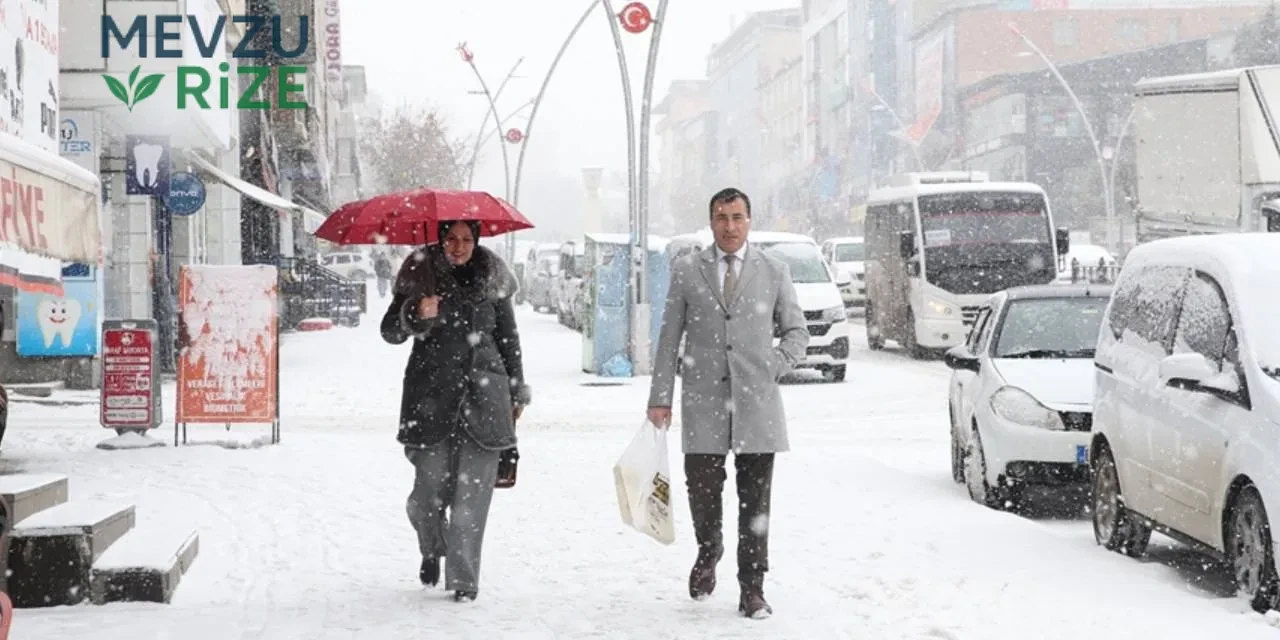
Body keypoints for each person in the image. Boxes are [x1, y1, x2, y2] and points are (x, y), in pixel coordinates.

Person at [646, 187, 808, 619]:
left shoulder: (774, 270)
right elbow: (668, 339)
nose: (730, 226)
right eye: (722, 217)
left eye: (737, 217)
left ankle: (752, 587)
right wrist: (660, 397)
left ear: (749, 221)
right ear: (711, 221)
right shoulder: (687, 270)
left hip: (758, 406)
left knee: (756, 503)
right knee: (701, 489)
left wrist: (773, 364)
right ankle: (709, 548)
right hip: (704, 402)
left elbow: (797, 333)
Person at [380, 220, 531, 603]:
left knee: (472, 499)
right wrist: (416, 311)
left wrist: (516, 391)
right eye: (451, 238)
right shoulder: (420, 270)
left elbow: (508, 339)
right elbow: (390, 331)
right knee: (425, 497)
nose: (459, 246)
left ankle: (464, 581)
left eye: (466, 239)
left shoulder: (493, 275)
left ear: (476, 241)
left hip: (487, 396)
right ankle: (433, 546)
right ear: (440, 239)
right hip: (431, 399)